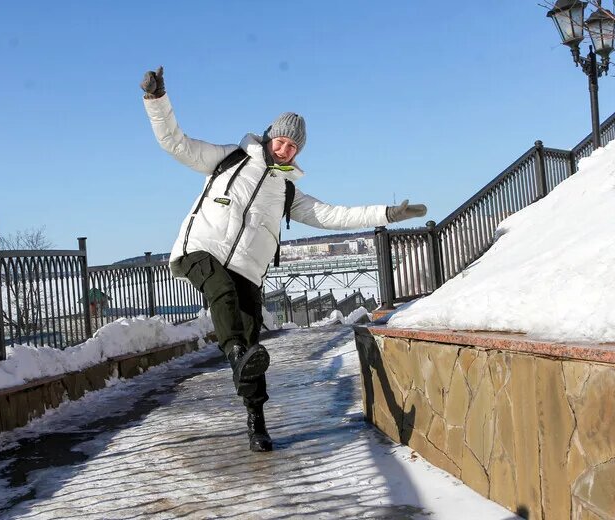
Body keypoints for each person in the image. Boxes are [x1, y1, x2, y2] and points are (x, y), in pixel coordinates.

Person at [140, 66, 427, 452]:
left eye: (293, 147)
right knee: (222, 294)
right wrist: (157, 99)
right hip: (199, 251)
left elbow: (331, 215)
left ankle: (256, 421)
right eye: (281, 141)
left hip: (247, 270)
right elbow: (175, 143)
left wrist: (387, 214)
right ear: (269, 135)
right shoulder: (230, 158)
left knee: (253, 344)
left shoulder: (287, 191)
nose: (285, 150)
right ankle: (235, 353)